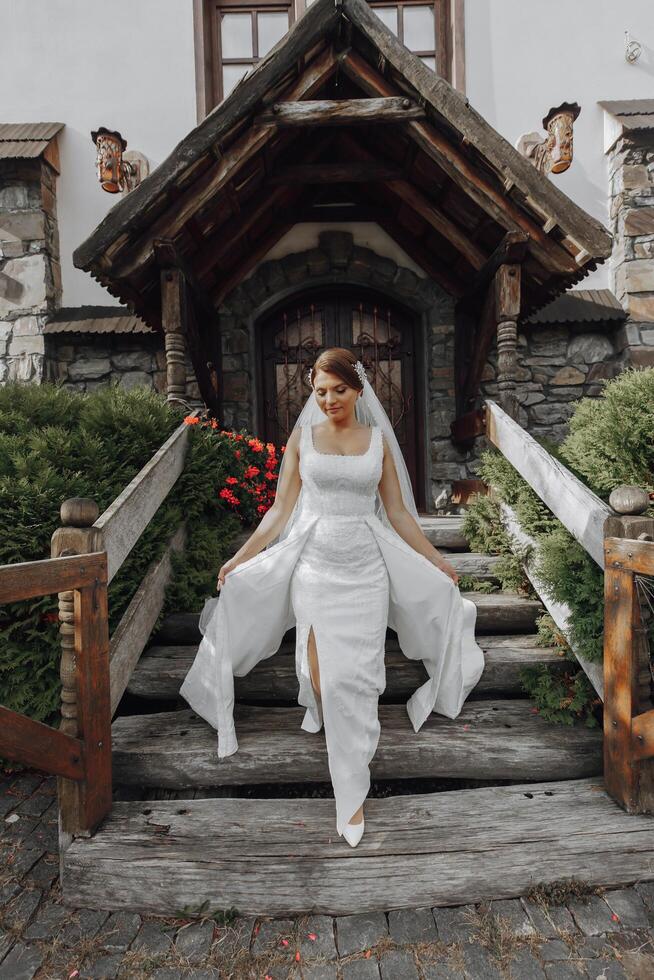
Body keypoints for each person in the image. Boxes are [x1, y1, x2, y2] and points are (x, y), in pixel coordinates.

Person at [179, 348, 484, 847]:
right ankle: (327, 718)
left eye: (338, 390)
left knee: (355, 681)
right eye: (319, 392)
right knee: (325, 679)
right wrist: (240, 558)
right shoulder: (303, 438)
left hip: (367, 574)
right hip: (315, 573)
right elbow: (280, 511)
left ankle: (351, 792)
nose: (328, 400)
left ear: (358, 390)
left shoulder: (378, 440)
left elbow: (401, 514)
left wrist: (437, 561)